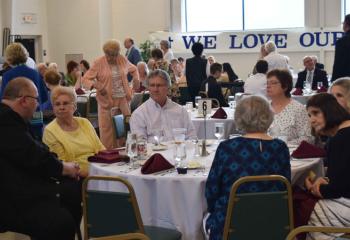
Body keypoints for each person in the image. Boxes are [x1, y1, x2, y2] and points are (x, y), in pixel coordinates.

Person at [0, 77, 82, 240]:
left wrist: (61, 166)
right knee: (61, 221)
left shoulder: (12, 118)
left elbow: (37, 148)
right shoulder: (5, 120)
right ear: (24, 100)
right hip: (9, 199)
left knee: (72, 190)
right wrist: (64, 168)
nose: (38, 104)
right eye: (36, 99)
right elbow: (33, 155)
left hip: (17, 184)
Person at [205, 95, 291, 240]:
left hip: (230, 226)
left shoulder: (227, 148)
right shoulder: (280, 147)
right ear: (269, 117)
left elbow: (212, 190)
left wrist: (213, 211)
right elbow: (286, 186)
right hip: (273, 224)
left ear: (239, 118)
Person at [305, 93, 350, 240]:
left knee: (307, 208)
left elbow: (336, 190)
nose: (312, 120)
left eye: (316, 113)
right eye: (309, 115)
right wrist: (325, 180)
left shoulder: (340, 139)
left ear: (329, 110)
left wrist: (315, 189)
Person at [82, 39, 139, 149]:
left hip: (123, 100)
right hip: (106, 102)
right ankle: (109, 156)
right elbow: (85, 79)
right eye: (108, 54)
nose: (110, 57)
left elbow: (134, 69)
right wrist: (97, 85)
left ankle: (127, 153)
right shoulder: (98, 62)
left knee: (126, 127)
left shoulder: (122, 59)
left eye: (113, 55)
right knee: (107, 131)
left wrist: (136, 79)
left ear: (118, 53)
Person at [43, 86, 105, 177]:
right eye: (57, 104)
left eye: (65, 103)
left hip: (99, 170)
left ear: (75, 106)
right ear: (53, 108)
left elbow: (100, 149)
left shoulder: (84, 123)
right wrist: (92, 175)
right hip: (78, 178)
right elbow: (62, 165)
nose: (61, 107)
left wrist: (107, 167)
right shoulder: (50, 131)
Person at [130, 69, 196, 142]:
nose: (155, 89)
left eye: (159, 85)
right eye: (152, 85)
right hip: (153, 153)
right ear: (148, 88)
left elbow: (192, 137)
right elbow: (140, 144)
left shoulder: (181, 111)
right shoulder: (139, 114)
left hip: (178, 152)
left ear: (168, 87)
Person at [0, 43, 48, 139]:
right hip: (35, 116)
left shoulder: (7, 75)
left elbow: (3, 101)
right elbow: (44, 97)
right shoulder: (35, 73)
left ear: (9, 57)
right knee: (37, 144)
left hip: (15, 118)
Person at [266, 69, 312, 145]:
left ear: (285, 86)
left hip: (289, 153)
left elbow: (308, 138)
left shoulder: (298, 108)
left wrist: (283, 144)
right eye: (267, 83)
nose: (268, 86)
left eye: (273, 83)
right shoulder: (263, 108)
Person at [331, 14, 350, 82]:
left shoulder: (342, 41)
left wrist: (334, 81)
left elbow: (338, 64)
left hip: (346, 81)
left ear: (346, 24)